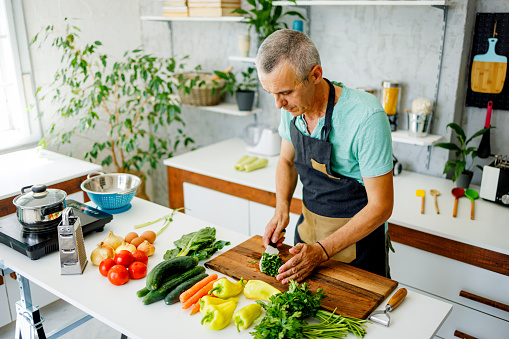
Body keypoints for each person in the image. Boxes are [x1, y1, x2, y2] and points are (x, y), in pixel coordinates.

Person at [256, 29, 394, 284]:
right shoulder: (293, 106)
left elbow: (381, 206)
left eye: (285, 92)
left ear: (315, 75)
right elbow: (287, 160)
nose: (278, 104)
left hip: (357, 253)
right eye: (272, 94)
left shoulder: (365, 117)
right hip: (307, 242)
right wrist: (281, 209)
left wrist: (322, 251)